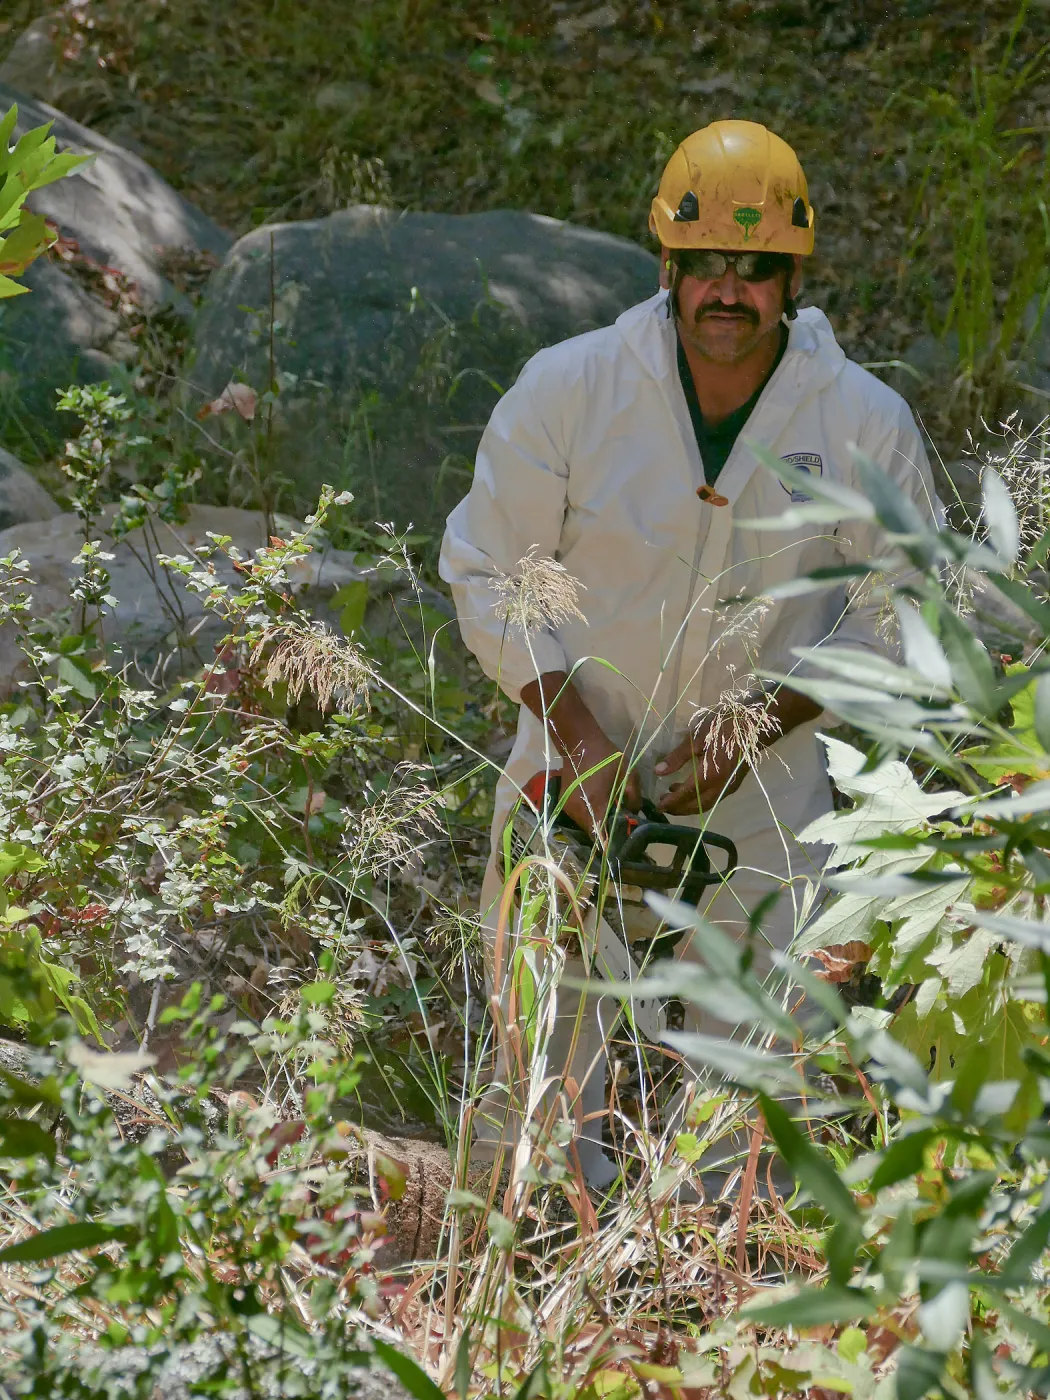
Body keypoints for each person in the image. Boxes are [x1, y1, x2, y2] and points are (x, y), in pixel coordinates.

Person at [440, 119, 938, 1188]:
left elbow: (910, 609)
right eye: (705, 263)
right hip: (569, 779)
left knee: (767, 1084)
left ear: (793, 282)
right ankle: (531, 1263)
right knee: (542, 1066)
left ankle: (729, 1306)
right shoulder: (571, 391)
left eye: (756, 270)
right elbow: (486, 568)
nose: (728, 290)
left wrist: (769, 715)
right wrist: (577, 735)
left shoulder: (862, 421)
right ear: (665, 266)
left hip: (771, 800)